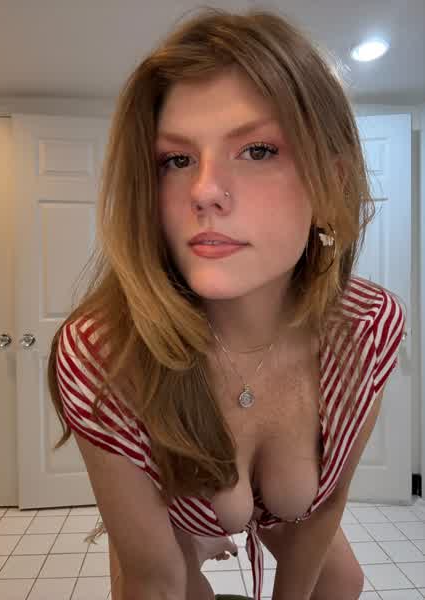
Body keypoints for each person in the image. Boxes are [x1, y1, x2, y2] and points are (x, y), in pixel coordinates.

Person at [47, 6, 406, 600]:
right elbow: (155, 581)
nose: (204, 191)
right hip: (168, 520)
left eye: (258, 150)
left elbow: (325, 504)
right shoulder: (102, 355)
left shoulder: (368, 327)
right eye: (177, 160)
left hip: (297, 521)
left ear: (333, 184)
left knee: (342, 582)